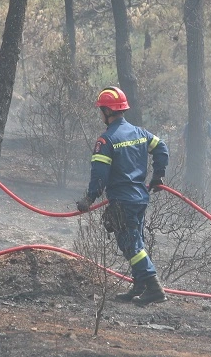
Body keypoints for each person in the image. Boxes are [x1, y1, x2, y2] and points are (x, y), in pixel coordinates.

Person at [75, 86, 170, 304]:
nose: (100, 114)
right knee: (135, 241)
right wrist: (158, 175)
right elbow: (161, 148)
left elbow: (99, 174)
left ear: (108, 111)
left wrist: (89, 198)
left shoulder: (106, 140)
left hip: (123, 200)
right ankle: (139, 286)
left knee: (131, 245)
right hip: (140, 198)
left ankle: (154, 287)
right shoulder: (140, 133)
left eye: (101, 110)